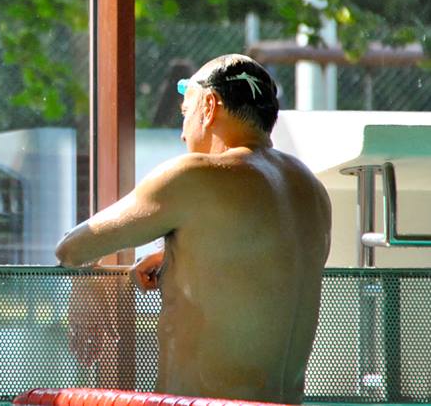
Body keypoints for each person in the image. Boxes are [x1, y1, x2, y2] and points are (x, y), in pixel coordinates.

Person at [55, 54, 331, 405]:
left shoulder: (196, 175)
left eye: (185, 114)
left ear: (209, 106)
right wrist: (178, 257)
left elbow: (71, 249)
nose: (183, 134)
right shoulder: (310, 188)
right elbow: (264, 274)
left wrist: (89, 282)